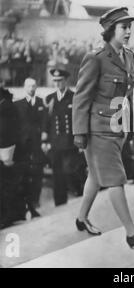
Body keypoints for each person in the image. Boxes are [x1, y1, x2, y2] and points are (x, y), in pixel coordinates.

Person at [72, 7, 134, 248]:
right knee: (116, 179)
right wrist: (79, 134)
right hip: (97, 129)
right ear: (111, 31)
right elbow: (81, 97)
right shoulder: (96, 58)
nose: (129, 31)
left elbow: (127, 95)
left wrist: (129, 123)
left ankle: (81, 218)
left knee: (96, 177)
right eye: (124, 27)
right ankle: (132, 233)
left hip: (117, 127)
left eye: (130, 27)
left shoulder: (128, 56)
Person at [43, 69, 86, 206]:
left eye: (60, 80)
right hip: (55, 143)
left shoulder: (73, 97)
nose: (57, 83)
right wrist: (44, 141)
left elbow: (80, 120)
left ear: (65, 81)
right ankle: (60, 203)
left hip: (70, 143)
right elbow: (46, 121)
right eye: (55, 81)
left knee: (70, 170)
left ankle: (80, 193)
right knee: (57, 175)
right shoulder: (50, 99)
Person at [14, 78, 46, 217]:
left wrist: (45, 135)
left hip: (37, 144)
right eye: (29, 86)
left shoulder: (40, 102)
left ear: (36, 87)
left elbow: (45, 121)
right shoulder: (17, 104)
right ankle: (25, 206)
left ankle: (35, 201)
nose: (31, 88)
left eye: (34, 86)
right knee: (24, 174)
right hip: (22, 146)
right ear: (24, 87)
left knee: (38, 172)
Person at [0, 76, 25, 228]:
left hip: (6, 150)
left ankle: (7, 216)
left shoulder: (8, 105)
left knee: (6, 184)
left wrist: (9, 152)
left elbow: (13, 130)